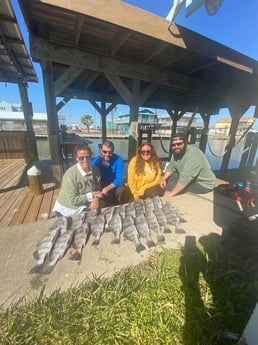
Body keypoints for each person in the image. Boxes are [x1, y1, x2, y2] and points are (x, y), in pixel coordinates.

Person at [160, 132, 216, 196]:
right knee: (170, 179)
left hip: (203, 183)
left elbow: (186, 177)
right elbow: (170, 167)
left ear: (185, 143)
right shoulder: (176, 152)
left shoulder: (193, 153)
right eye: (173, 145)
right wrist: (163, 179)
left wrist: (171, 193)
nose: (176, 146)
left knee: (173, 188)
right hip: (190, 178)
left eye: (179, 144)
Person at [53, 144, 102, 216]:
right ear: (76, 158)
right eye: (81, 158)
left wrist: (96, 198)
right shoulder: (70, 175)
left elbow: (97, 188)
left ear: (91, 156)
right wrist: (92, 195)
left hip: (85, 200)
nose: (85, 160)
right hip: (69, 207)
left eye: (88, 157)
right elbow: (73, 200)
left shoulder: (96, 170)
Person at [91, 140, 129, 207]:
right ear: (100, 150)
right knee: (104, 200)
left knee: (122, 191)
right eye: (104, 152)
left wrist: (107, 188)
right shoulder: (96, 161)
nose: (107, 154)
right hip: (102, 187)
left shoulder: (118, 159)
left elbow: (120, 178)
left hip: (115, 186)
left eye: (110, 152)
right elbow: (90, 175)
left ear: (113, 151)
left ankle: (121, 206)